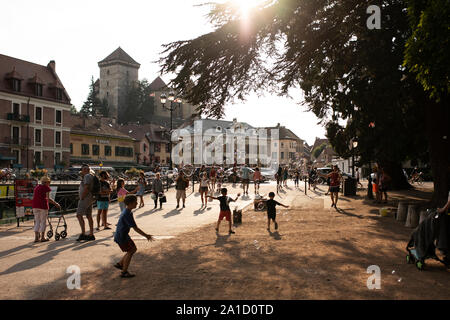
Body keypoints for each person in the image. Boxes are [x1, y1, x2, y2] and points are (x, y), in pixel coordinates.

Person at [113, 195, 154, 278]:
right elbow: (135, 228)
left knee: (131, 250)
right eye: (135, 202)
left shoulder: (127, 211)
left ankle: (120, 264)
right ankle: (124, 272)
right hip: (122, 236)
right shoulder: (127, 214)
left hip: (121, 235)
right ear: (131, 203)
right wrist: (146, 235)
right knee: (131, 250)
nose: (137, 203)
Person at [32, 175, 61, 243]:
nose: (49, 183)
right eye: (49, 182)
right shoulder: (46, 188)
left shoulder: (37, 187)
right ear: (46, 182)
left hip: (35, 205)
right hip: (43, 206)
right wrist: (55, 203)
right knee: (43, 221)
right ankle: (42, 237)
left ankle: (36, 237)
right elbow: (48, 199)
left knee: (37, 221)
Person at [76, 164, 96, 241]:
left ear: (87, 170)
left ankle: (83, 233)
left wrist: (82, 197)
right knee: (89, 216)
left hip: (85, 198)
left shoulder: (87, 176)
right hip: (89, 198)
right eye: (83, 169)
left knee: (79, 215)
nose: (83, 170)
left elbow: (86, 187)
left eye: (85, 169)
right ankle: (91, 234)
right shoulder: (90, 176)